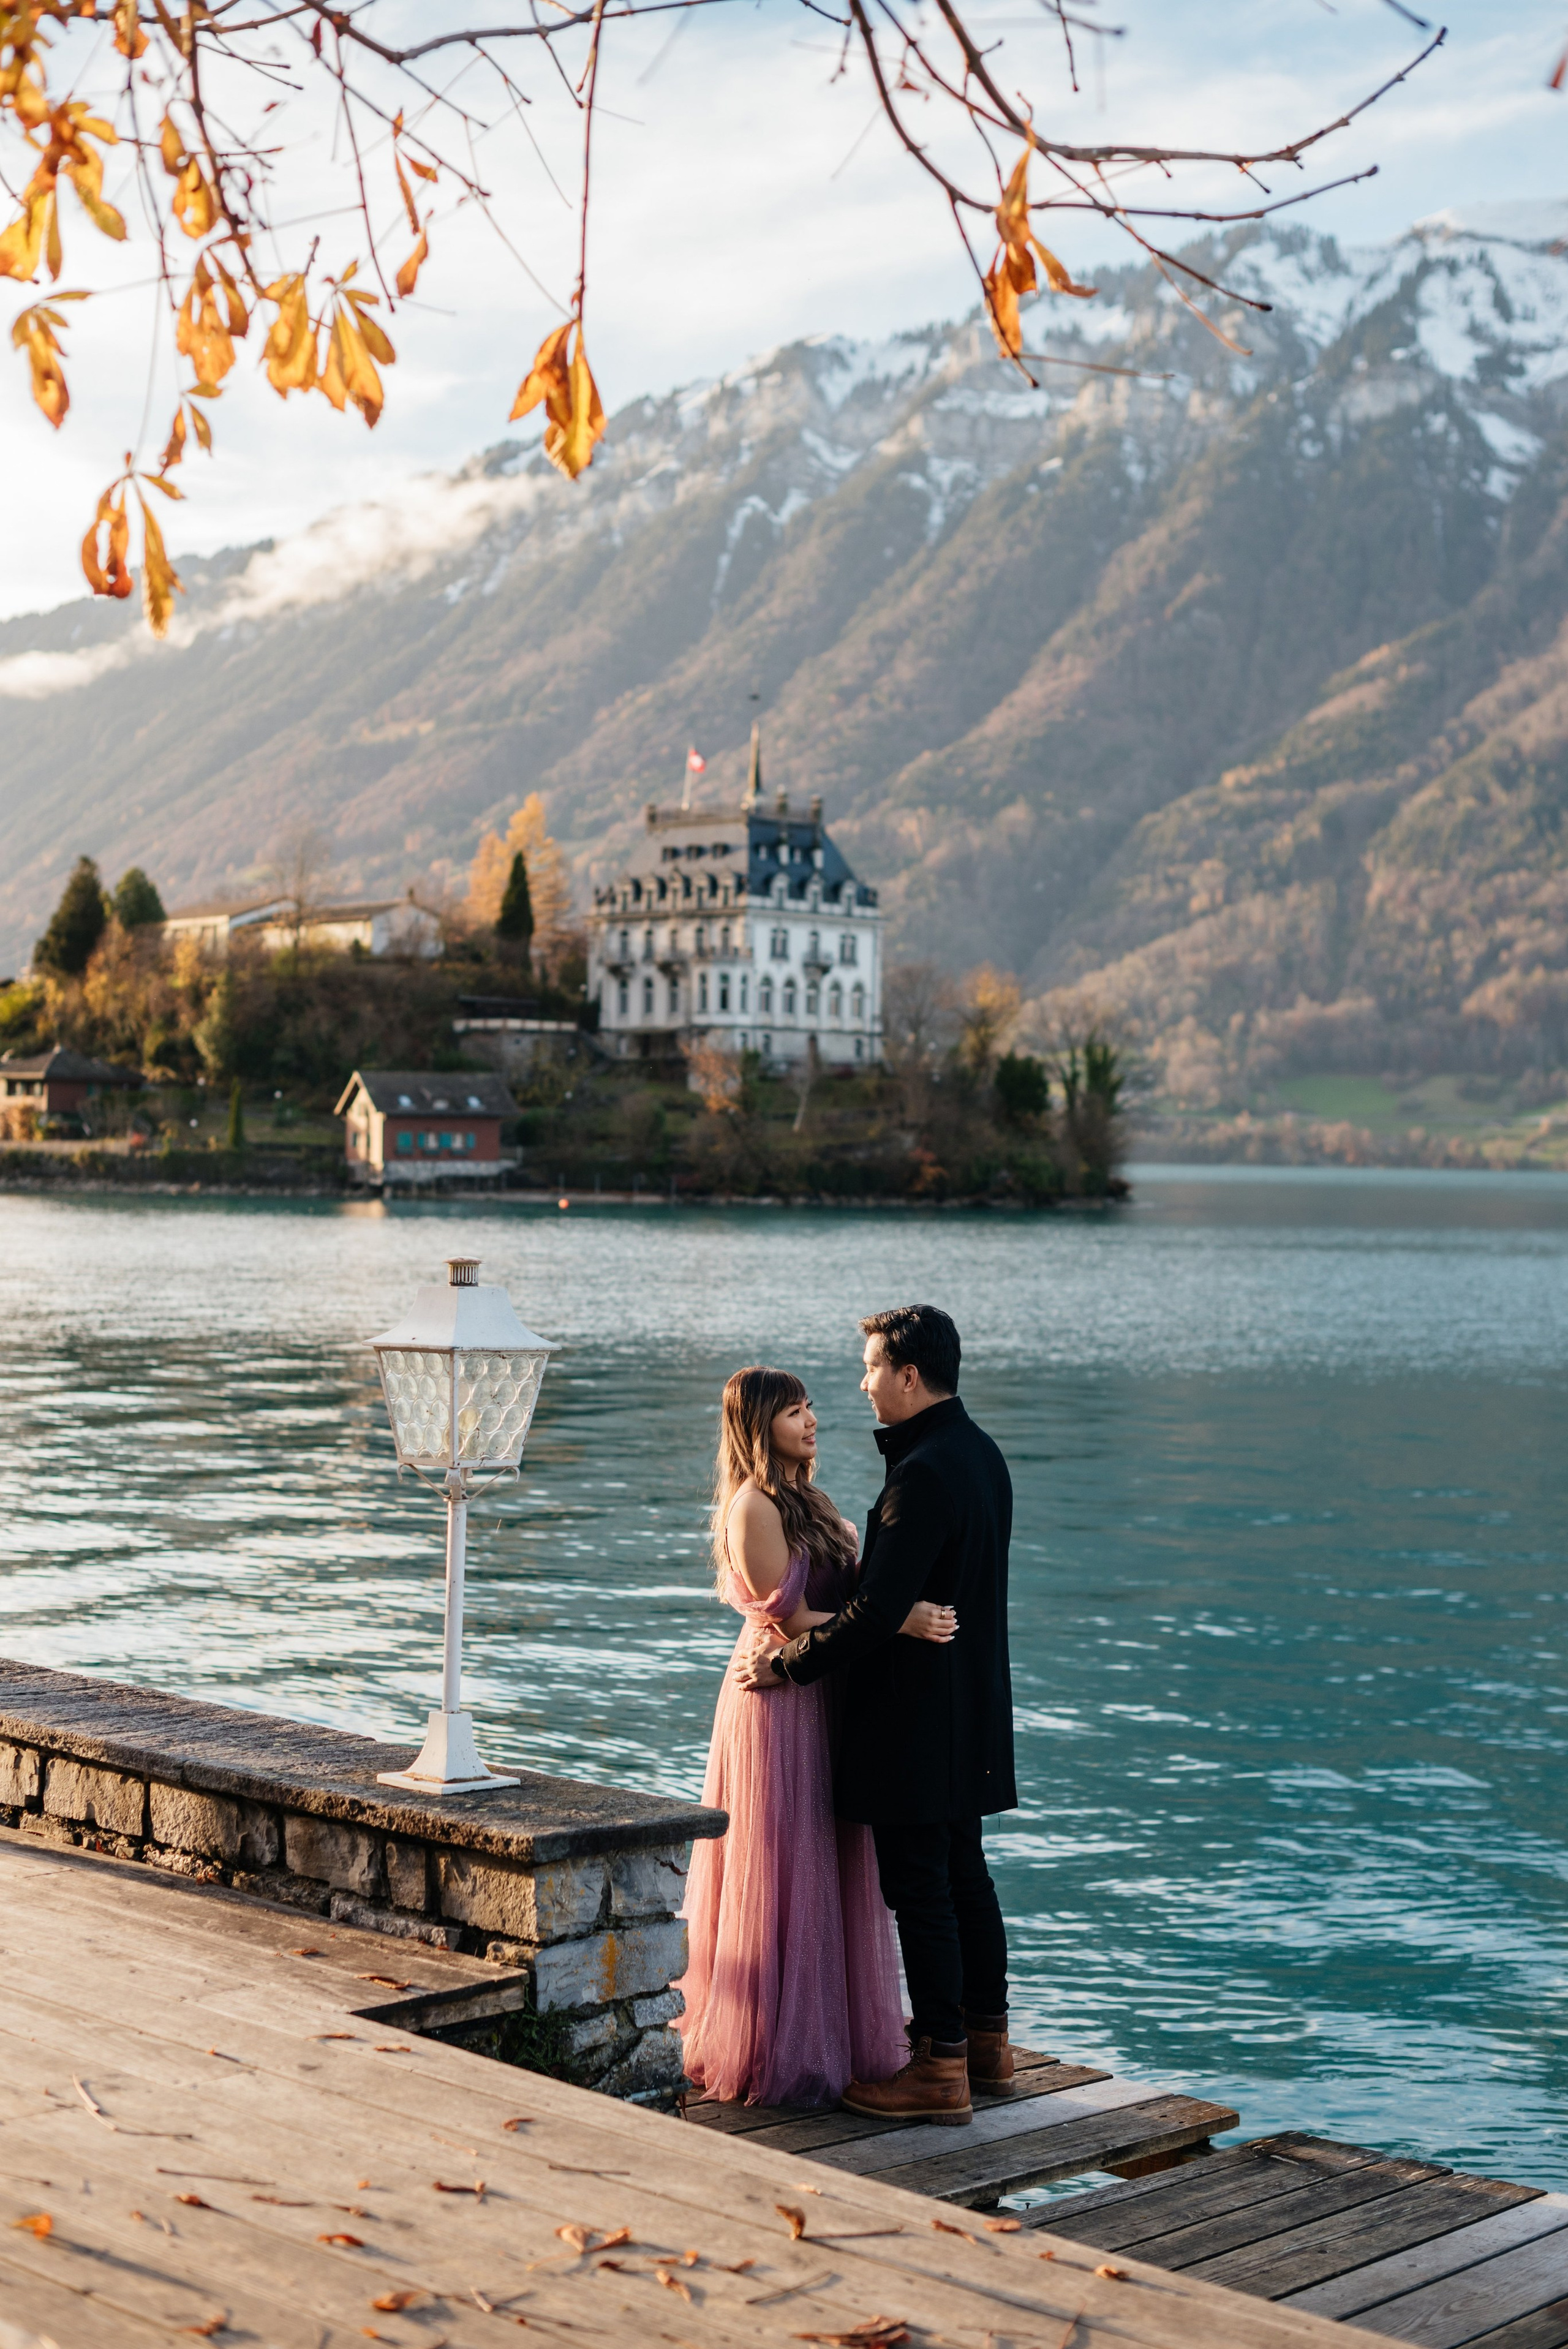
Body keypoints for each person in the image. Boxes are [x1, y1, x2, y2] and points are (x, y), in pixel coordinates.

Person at [734, 1304, 1015, 2127]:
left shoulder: (922, 1472)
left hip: (916, 1717)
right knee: (967, 1875)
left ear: (909, 1374)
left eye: (871, 1368)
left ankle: (939, 2065)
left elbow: (874, 1611)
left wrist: (784, 1663)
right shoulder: (983, 1455)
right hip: (974, 1708)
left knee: (921, 1886)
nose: (862, 1384)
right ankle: (986, 2041)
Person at [674, 1365, 957, 2108]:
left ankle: (829, 2033)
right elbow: (790, 1622)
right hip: (779, 1694)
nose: (811, 1421)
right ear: (757, 1423)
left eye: (809, 1408)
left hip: (827, 1689)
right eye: (793, 1411)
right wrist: (900, 1620)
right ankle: (778, 2044)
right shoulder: (753, 1506)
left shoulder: (811, 1498)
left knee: (827, 1857)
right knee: (782, 1858)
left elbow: (853, 1598)